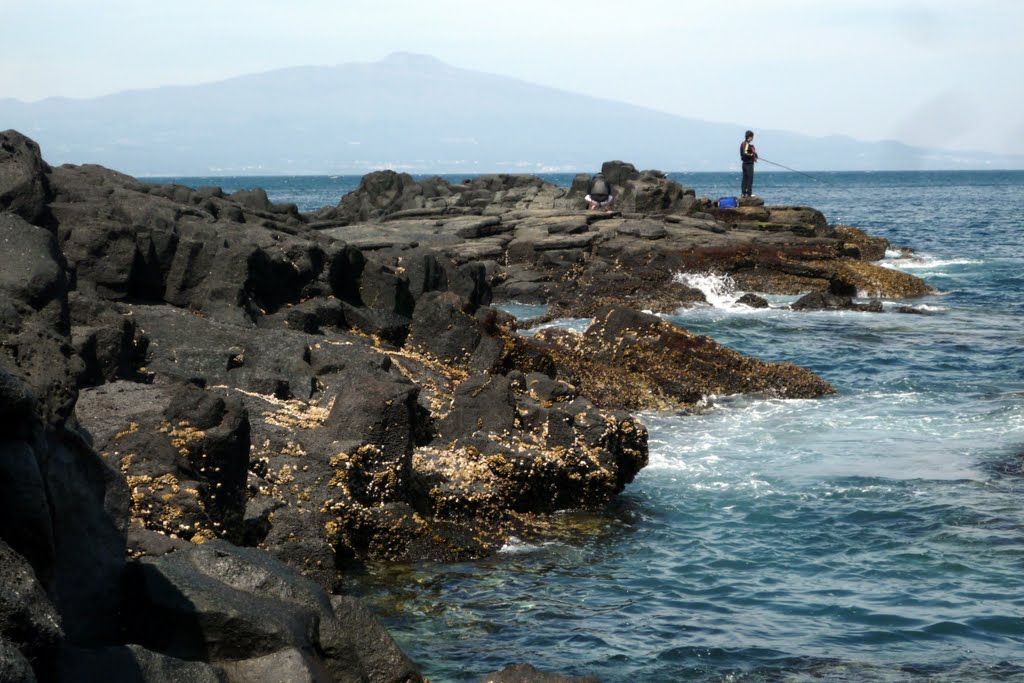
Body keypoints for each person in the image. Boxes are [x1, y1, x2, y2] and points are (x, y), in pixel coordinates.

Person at [740, 130, 758, 198]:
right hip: (748, 164)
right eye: (752, 137)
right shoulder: (747, 144)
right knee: (749, 178)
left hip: (744, 164)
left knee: (745, 178)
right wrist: (752, 155)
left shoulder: (743, 143)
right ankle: (749, 193)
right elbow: (745, 153)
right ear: (749, 137)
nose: (752, 138)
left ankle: (743, 193)